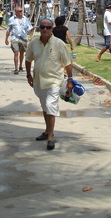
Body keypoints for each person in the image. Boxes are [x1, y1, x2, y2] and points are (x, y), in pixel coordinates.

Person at [25, 18, 73, 150]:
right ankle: (47, 131)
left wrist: (70, 80)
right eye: (42, 27)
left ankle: (51, 135)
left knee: (50, 105)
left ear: (52, 29)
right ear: (39, 28)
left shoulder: (59, 44)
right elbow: (28, 59)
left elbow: (68, 63)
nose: (45, 29)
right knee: (45, 107)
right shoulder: (34, 43)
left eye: (48, 27)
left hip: (54, 81)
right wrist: (28, 75)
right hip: (38, 81)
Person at [5, 6, 33, 74]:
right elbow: (9, 29)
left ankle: (20, 66)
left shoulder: (25, 19)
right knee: (16, 52)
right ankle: (16, 68)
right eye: (19, 11)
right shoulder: (12, 19)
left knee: (22, 53)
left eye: (21, 11)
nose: (21, 12)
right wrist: (6, 39)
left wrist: (31, 36)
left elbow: (29, 28)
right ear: (16, 12)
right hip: (15, 38)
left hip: (23, 38)